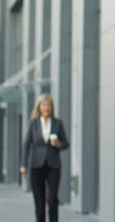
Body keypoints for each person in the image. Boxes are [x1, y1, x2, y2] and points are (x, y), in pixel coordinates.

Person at [20, 94, 69, 222]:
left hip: (53, 166)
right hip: (36, 165)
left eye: (49, 105)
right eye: (44, 105)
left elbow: (66, 143)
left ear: (52, 107)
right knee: (39, 202)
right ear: (39, 107)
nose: (47, 108)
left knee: (52, 199)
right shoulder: (33, 123)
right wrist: (23, 164)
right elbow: (26, 144)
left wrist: (58, 144)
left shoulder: (58, 123)